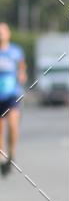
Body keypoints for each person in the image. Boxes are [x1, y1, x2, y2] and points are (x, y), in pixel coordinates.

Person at [0, 23, 26, 177]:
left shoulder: (15, 52)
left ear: (8, 34)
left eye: (3, 31)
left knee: (12, 125)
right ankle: (2, 157)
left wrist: (22, 75)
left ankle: (11, 153)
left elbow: (22, 69)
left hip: (12, 95)